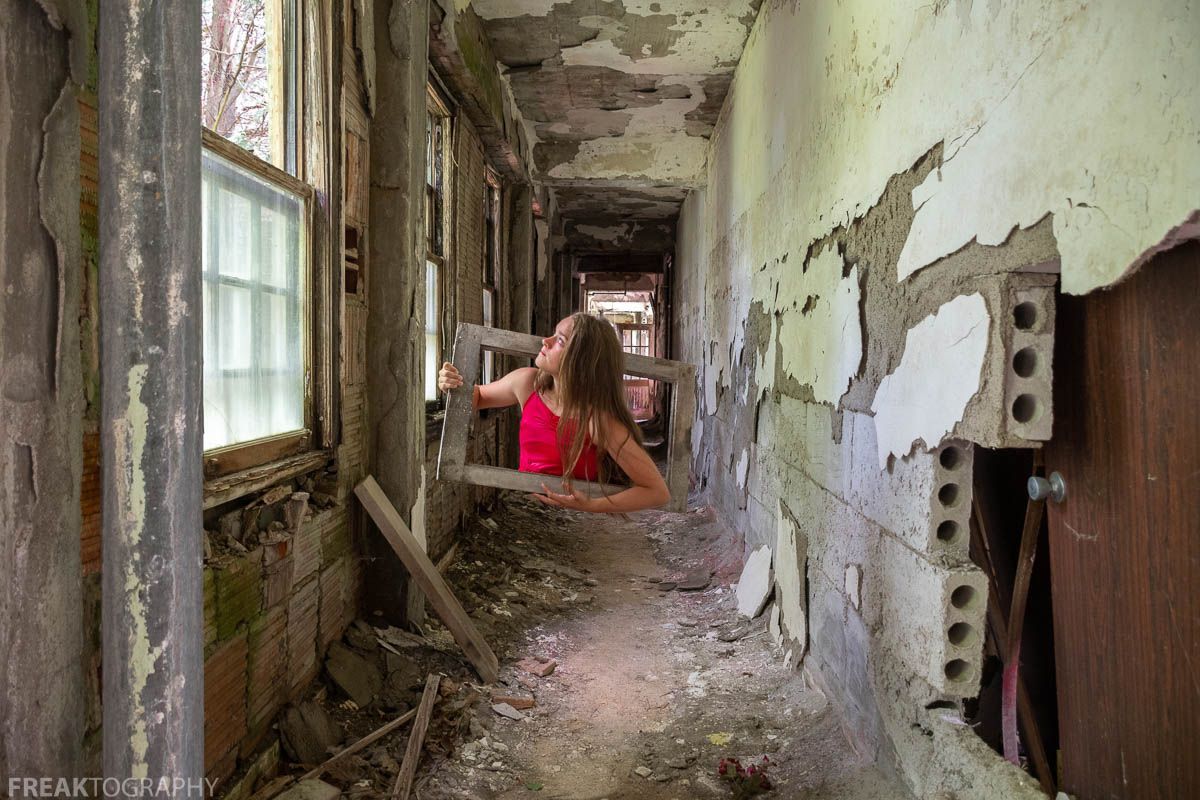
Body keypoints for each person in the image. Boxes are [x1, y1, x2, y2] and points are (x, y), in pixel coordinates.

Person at [437, 313, 671, 513]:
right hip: (523, 510)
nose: (545, 341)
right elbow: (476, 398)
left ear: (580, 360)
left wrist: (591, 505)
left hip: (570, 529)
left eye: (560, 340)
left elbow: (657, 492)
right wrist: (452, 382)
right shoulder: (527, 382)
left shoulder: (597, 422)